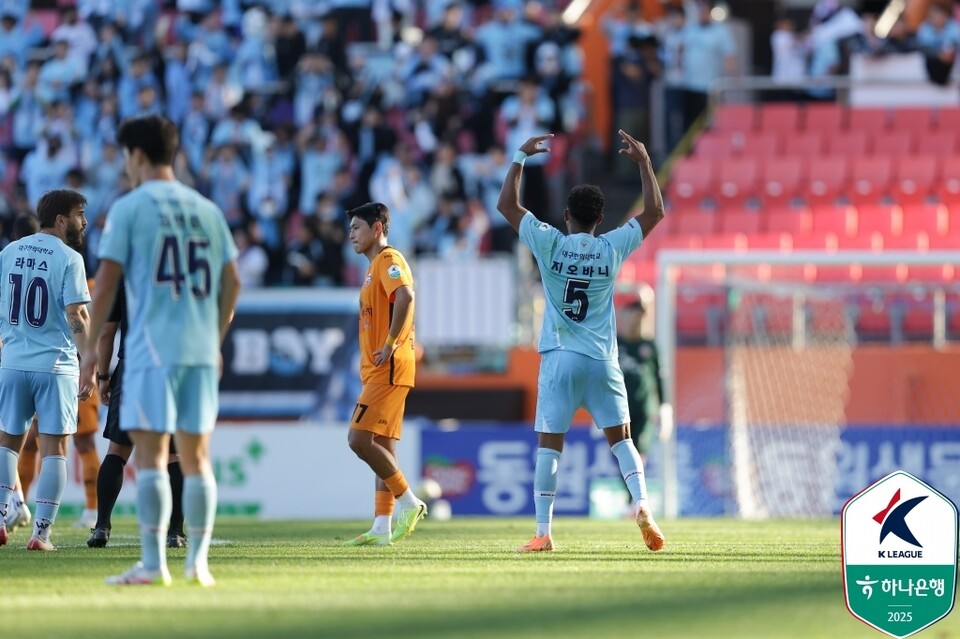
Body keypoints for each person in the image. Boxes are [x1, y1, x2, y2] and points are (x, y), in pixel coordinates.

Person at [79, 115, 241, 586]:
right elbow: (232, 283)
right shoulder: (206, 209)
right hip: (199, 353)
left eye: (125, 157)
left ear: (137, 155)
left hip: (150, 351)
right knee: (196, 458)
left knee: (149, 458)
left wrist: (91, 352)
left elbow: (106, 285)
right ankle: (198, 565)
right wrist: (214, 337)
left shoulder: (130, 208)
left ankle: (153, 566)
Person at [496, 129, 666, 553]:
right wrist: (645, 162)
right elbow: (655, 212)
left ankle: (543, 532)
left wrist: (520, 156)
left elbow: (507, 206)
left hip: (560, 357)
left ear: (566, 215)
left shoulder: (548, 241)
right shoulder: (611, 247)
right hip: (602, 359)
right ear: (600, 219)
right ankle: (643, 504)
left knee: (549, 447)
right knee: (623, 440)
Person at [0, 189, 94, 551]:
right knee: (55, 447)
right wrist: (89, 361)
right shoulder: (69, 258)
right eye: (79, 214)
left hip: (13, 362)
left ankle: (1, 518)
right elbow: (76, 314)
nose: (83, 222)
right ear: (60, 219)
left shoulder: (9, 253)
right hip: (55, 365)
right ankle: (40, 534)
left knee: (8, 442)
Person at [343, 202, 427, 547]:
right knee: (382, 446)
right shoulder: (373, 267)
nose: (351, 235)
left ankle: (410, 502)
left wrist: (390, 343)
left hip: (389, 367)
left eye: (357, 228)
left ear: (377, 228)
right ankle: (382, 526)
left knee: (358, 439)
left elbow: (405, 295)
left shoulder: (389, 259)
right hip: (380, 368)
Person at [86, 280, 187, 549]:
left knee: (117, 451)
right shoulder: (181, 268)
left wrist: (103, 376)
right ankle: (175, 532)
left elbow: (107, 331)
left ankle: (101, 526)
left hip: (133, 367)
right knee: (174, 454)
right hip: (172, 366)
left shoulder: (126, 271)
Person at [3, 213, 41, 533]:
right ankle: (17, 502)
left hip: (10, 356)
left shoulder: (7, 260)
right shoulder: (53, 259)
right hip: (38, 360)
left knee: (7, 440)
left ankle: (14, 503)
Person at [616, 290, 673, 467]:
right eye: (633, 315)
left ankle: (636, 485)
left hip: (644, 408)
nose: (636, 321)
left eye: (640, 316)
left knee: (638, 452)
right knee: (621, 452)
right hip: (618, 409)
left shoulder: (649, 347)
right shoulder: (614, 345)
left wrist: (665, 408)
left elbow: (660, 378)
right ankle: (629, 485)